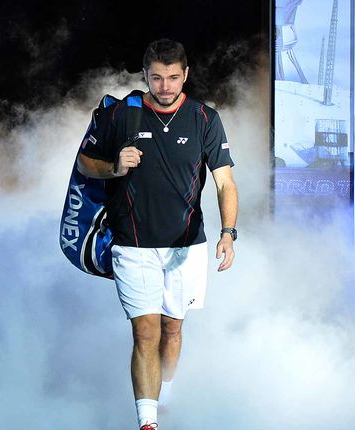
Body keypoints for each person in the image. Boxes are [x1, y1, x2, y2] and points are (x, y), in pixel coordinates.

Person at [77, 39, 238, 430]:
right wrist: (114, 167)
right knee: (145, 331)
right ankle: (147, 421)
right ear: (145, 75)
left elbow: (224, 183)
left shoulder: (204, 118)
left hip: (187, 246)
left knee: (172, 327)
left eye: (172, 77)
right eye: (156, 78)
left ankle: (166, 394)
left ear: (185, 74)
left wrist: (229, 232)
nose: (165, 86)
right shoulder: (120, 115)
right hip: (132, 245)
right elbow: (85, 164)